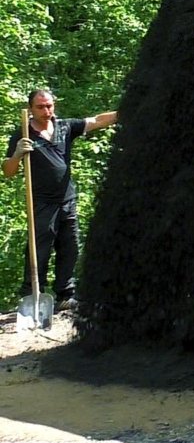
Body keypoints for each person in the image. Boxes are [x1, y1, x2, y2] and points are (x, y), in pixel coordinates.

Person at [2, 89, 118, 311]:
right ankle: (31, 296)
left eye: (50, 106)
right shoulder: (23, 134)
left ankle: (65, 295)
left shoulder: (65, 127)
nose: (47, 111)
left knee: (70, 246)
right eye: (41, 107)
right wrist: (17, 154)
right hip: (42, 202)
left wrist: (126, 111)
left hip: (67, 199)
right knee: (39, 249)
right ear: (30, 109)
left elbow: (96, 121)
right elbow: (8, 171)